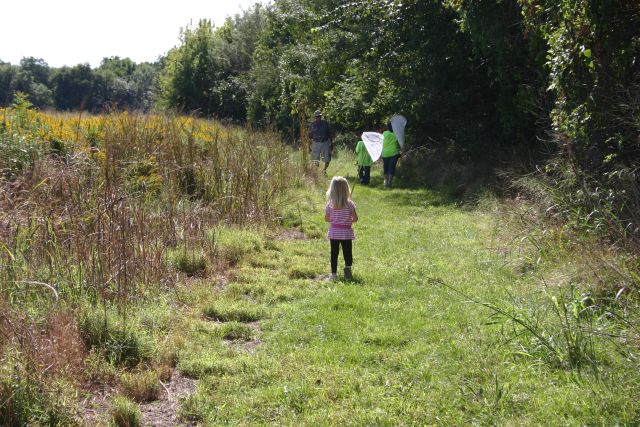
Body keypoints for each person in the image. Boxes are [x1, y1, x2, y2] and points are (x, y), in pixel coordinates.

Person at [324, 176, 358, 281]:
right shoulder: (350, 204)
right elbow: (355, 219)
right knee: (347, 253)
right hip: (346, 233)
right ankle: (348, 272)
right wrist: (348, 218)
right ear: (346, 189)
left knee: (334, 253)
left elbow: (326, 219)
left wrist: (335, 219)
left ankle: (333, 275)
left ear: (332, 190)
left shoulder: (330, 204)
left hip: (334, 233)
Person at [381, 122, 401, 188]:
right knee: (391, 168)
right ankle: (389, 182)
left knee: (385, 168)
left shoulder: (384, 133)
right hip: (394, 153)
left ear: (388, 127)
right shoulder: (396, 134)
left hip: (385, 153)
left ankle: (385, 182)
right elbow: (399, 143)